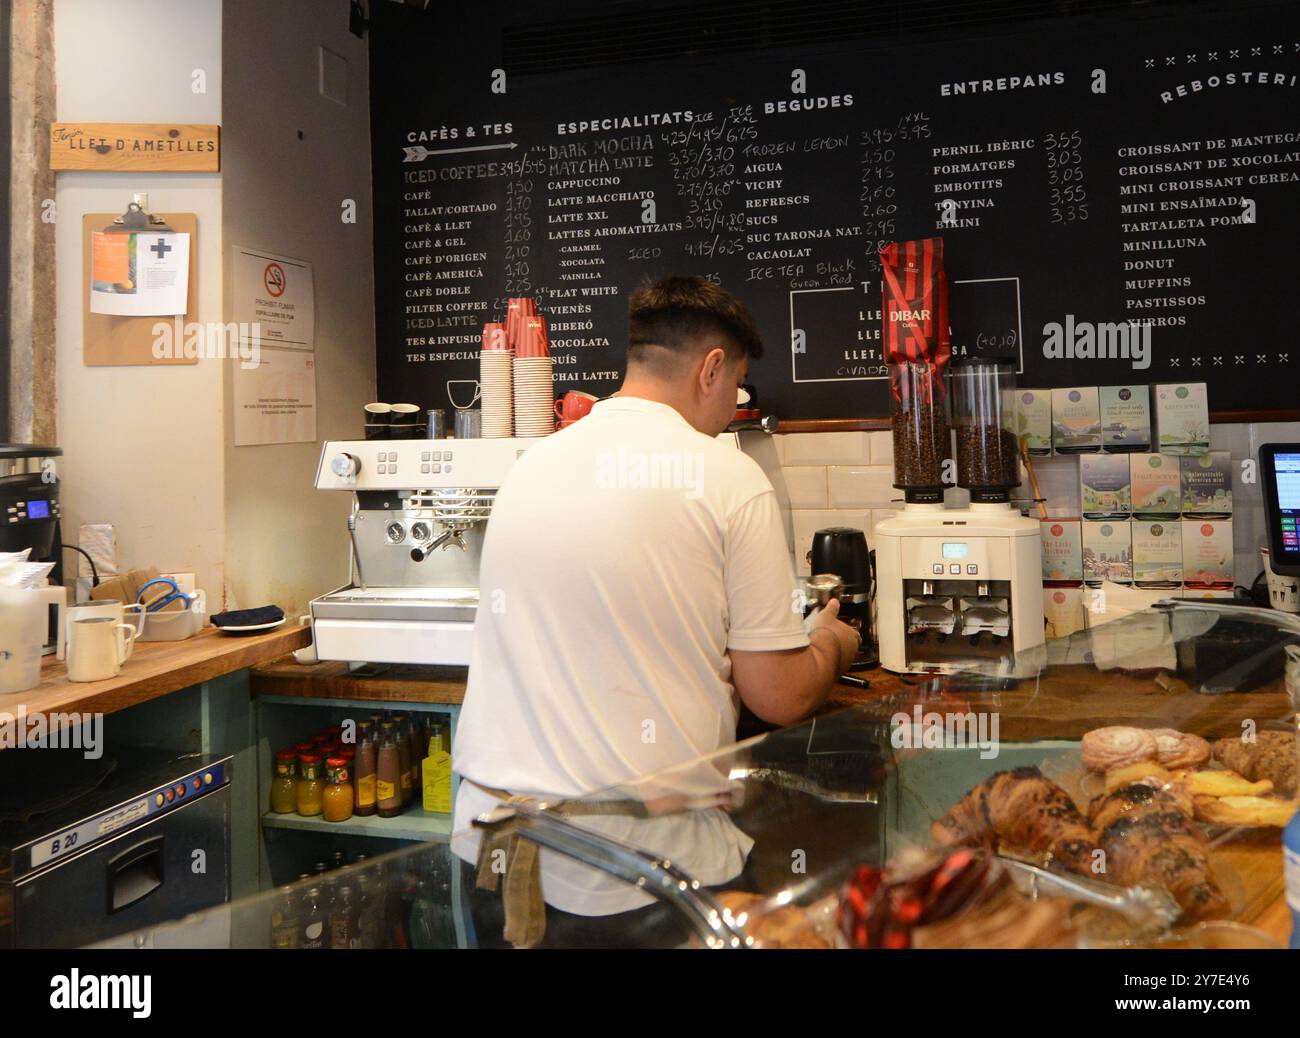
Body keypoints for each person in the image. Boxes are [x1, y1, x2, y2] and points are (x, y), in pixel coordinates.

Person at [450, 275, 861, 947]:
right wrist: (831, 642)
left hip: (494, 853)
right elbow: (780, 694)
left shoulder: (531, 464)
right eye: (737, 386)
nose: (733, 407)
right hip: (636, 870)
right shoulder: (726, 475)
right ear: (711, 369)